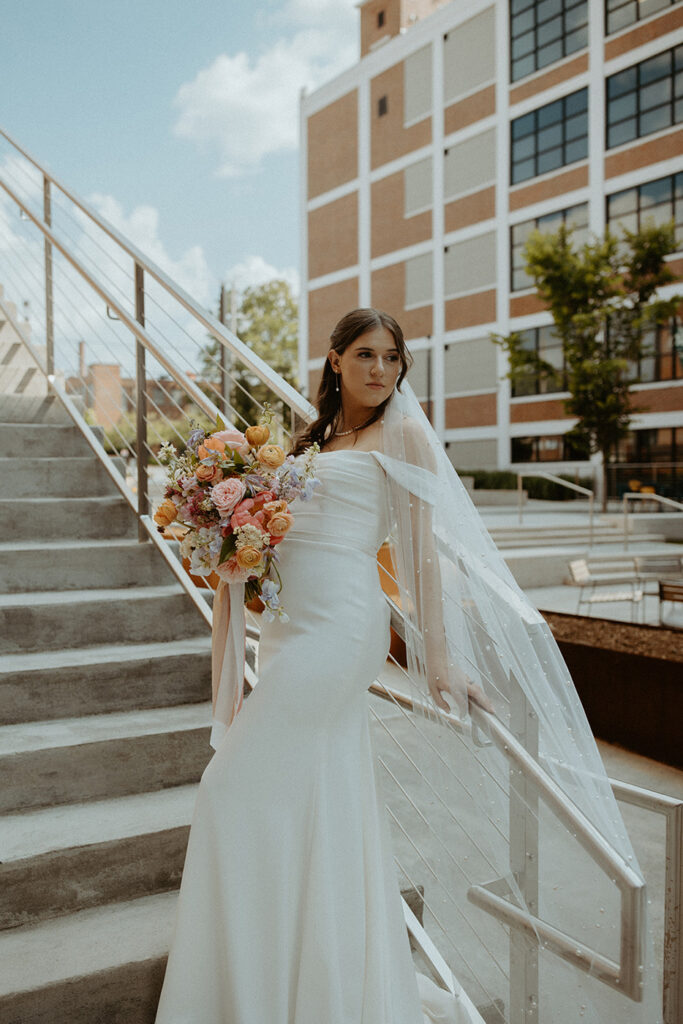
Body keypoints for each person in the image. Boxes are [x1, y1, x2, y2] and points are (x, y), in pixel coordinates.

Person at [154, 309, 660, 1023]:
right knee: (313, 796)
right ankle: (298, 982)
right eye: (365, 355)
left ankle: (256, 981)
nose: (381, 371)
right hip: (292, 628)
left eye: (393, 359)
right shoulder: (312, 437)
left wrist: (441, 660)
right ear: (334, 360)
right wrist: (233, 538)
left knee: (229, 788)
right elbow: (281, 531)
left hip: (340, 629)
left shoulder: (407, 434)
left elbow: (420, 553)